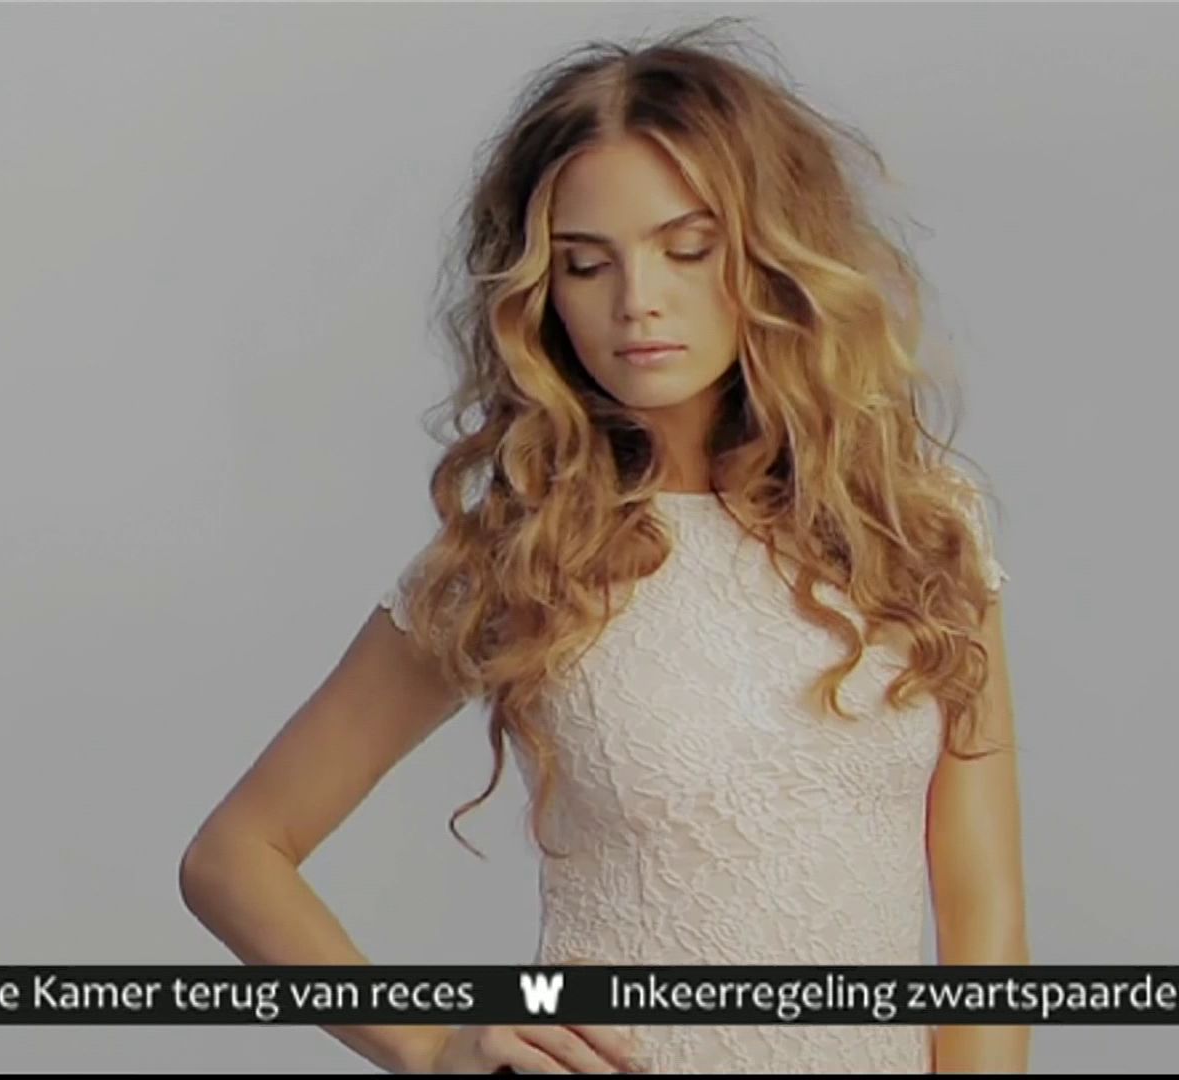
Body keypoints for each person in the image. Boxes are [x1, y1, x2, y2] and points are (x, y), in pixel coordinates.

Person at [180, 18, 1029, 1075]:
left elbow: (985, 921)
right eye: (586, 265)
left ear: (770, 253)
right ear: (542, 292)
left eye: (687, 250)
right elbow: (235, 855)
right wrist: (432, 1047)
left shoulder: (918, 527)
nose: (638, 303)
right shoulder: (523, 556)